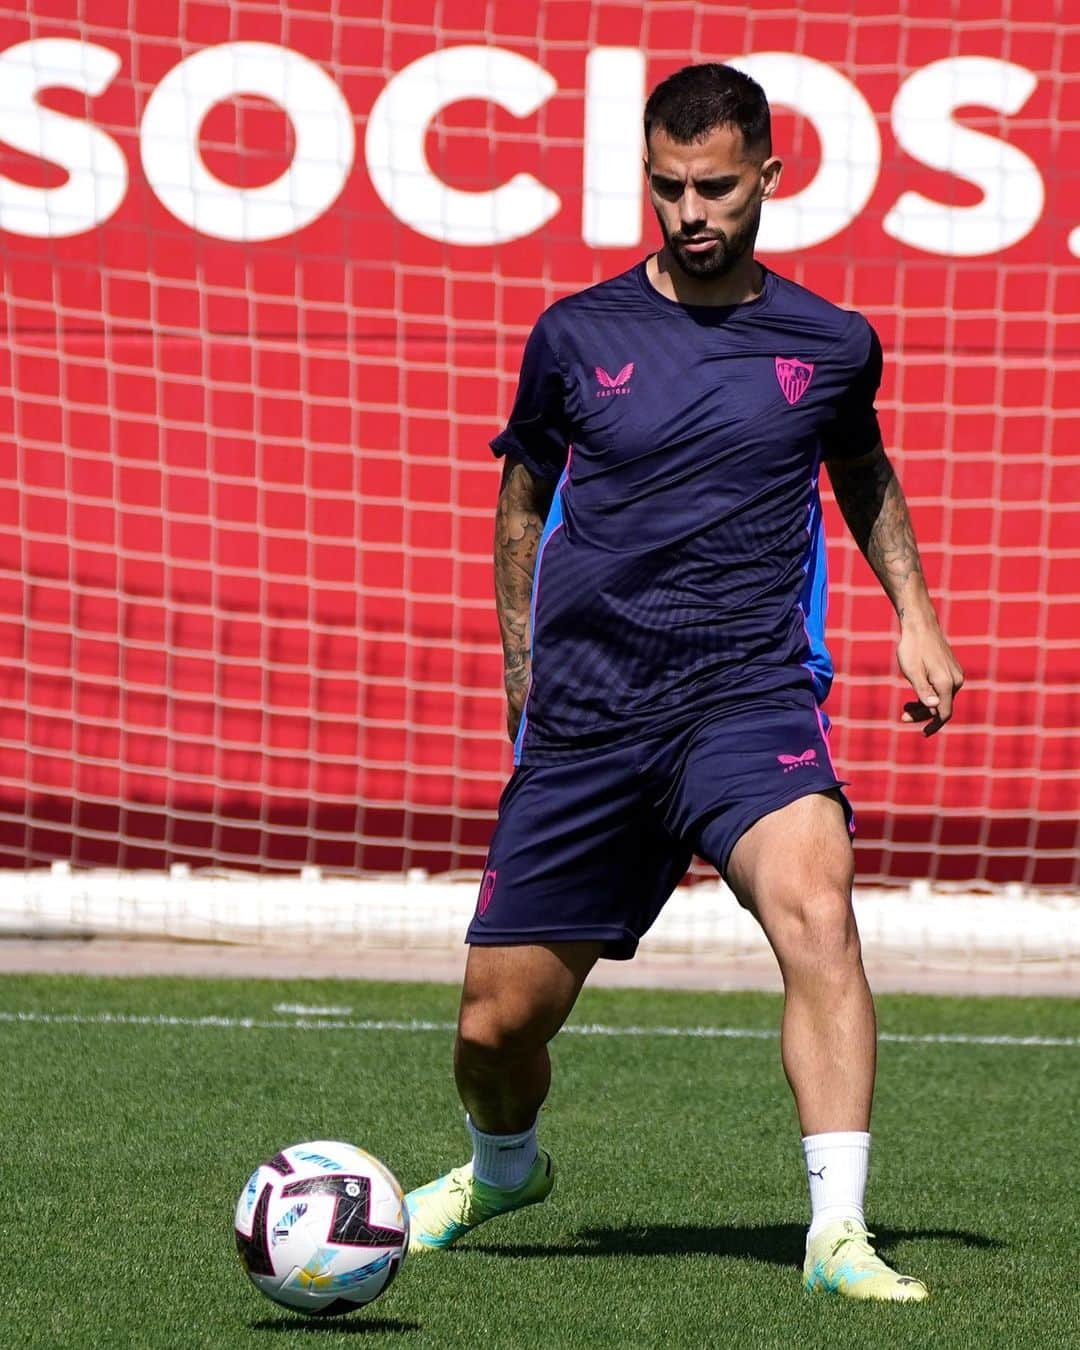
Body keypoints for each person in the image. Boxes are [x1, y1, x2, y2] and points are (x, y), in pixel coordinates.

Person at [405, 62, 963, 1302]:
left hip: (747, 697)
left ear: (770, 177)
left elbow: (862, 473)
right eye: (668, 188)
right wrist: (521, 668)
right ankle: (504, 1168)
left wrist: (915, 613)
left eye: (715, 186)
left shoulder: (827, 344)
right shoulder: (576, 334)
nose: (690, 211)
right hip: (591, 718)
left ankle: (836, 1233)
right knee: (494, 1032)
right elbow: (523, 494)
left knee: (819, 906)